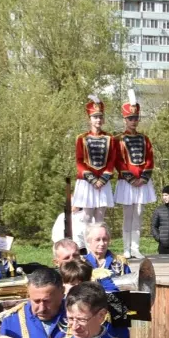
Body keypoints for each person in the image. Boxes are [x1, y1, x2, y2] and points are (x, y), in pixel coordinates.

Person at [112, 91, 156, 259]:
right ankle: (126, 248)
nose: (133, 121)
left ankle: (136, 247)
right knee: (128, 215)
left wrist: (143, 178)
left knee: (138, 214)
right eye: (130, 118)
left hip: (142, 182)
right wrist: (130, 178)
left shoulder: (145, 138)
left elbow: (150, 158)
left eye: (136, 118)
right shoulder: (118, 139)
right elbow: (118, 161)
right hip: (127, 181)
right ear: (125, 119)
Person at [73, 97, 116, 248]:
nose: (98, 120)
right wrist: (92, 179)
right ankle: (86, 248)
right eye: (95, 117)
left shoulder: (110, 138)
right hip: (87, 181)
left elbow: (111, 160)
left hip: (103, 181)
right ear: (89, 119)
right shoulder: (81, 138)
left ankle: (99, 247)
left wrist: (103, 179)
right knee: (86, 216)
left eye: (100, 117)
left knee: (100, 217)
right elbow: (79, 161)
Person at [150, 185, 169, 255]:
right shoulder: (159, 210)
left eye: (166, 195)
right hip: (162, 248)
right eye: (163, 195)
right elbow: (153, 226)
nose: (164, 197)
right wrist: (159, 238)